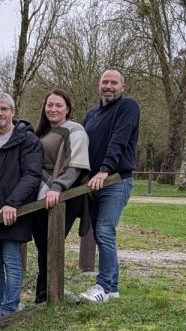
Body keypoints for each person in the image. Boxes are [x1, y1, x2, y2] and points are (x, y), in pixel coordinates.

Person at [0, 92, 43, 320]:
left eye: (4, 109)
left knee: (12, 263)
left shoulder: (27, 140)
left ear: (13, 111)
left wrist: (13, 203)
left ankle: (9, 310)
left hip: (14, 212)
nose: (0, 113)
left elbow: (32, 175)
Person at [79, 68, 140, 303]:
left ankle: (102, 287)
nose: (109, 86)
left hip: (115, 180)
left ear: (122, 87)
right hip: (92, 184)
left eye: (114, 83)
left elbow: (119, 139)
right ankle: (113, 288)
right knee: (101, 233)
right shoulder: (91, 115)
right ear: (99, 85)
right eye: (105, 82)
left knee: (105, 231)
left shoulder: (128, 107)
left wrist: (105, 169)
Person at [32, 89, 91, 303]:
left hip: (65, 196)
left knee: (51, 243)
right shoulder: (45, 131)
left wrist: (57, 187)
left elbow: (76, 164)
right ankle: (43, 293)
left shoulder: (75, 130)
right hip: (42, 195)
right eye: (50, 105)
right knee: (42, 244)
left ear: (67, 109)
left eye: (58, 105)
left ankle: (50, 293)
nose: (53, 109)